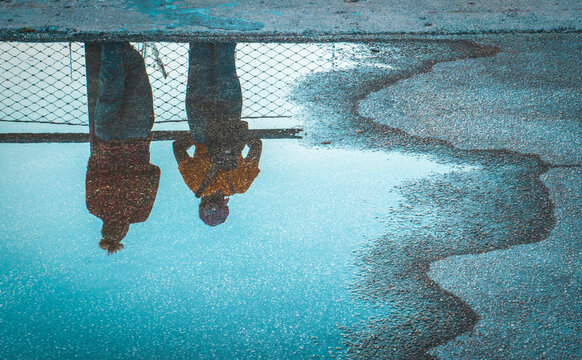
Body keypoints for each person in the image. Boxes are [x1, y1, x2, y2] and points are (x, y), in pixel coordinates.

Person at [175, 42, 262, 226]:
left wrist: (237, 138)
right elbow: (177, 147)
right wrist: (199, 138)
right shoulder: (195, 184)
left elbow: (256, 145)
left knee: (226, 70)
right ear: (202, 204)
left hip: (229, 126)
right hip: (200, 126)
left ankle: (226, 32)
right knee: (199, 72)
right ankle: (197, 33)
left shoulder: (240, 185)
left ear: (225, 205)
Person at [84, 42, 160, 254]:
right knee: (110, 81)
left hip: (136, 137)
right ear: (104, 228)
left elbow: (154, 174)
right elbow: (92, 169)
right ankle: (111, 40)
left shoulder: (140, 213)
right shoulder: (94, 206)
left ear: (124, 230)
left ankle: (119, 39)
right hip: (106, 139)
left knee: (136, 72)